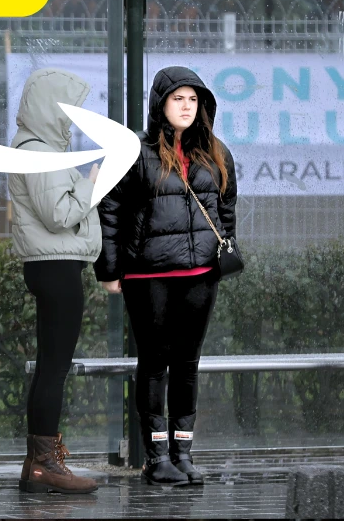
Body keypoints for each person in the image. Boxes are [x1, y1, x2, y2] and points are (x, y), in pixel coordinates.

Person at [94, 67, 236, 487]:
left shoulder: (217, 152)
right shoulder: (136, 152)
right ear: (161, 104)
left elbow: (226, 208)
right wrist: (110, 269)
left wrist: (222, 250)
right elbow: (110, 211)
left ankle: (182, 452)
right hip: (149, 275)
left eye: (193, 100)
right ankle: (155, 456)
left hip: (201, 275)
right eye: (179, 99)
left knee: (188, 364)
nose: (187, 107)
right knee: (155, 363)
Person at [7, 68, 102, 495]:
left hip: (52, 264)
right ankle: (46, 463)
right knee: (54, 370)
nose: (73, 120)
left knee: (49, 368)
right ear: (50, 108)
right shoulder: (39, 152)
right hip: (57, 265)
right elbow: (60, 214)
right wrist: (91, 184)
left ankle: (37, 466)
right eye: (68, 110)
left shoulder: (36, 148)